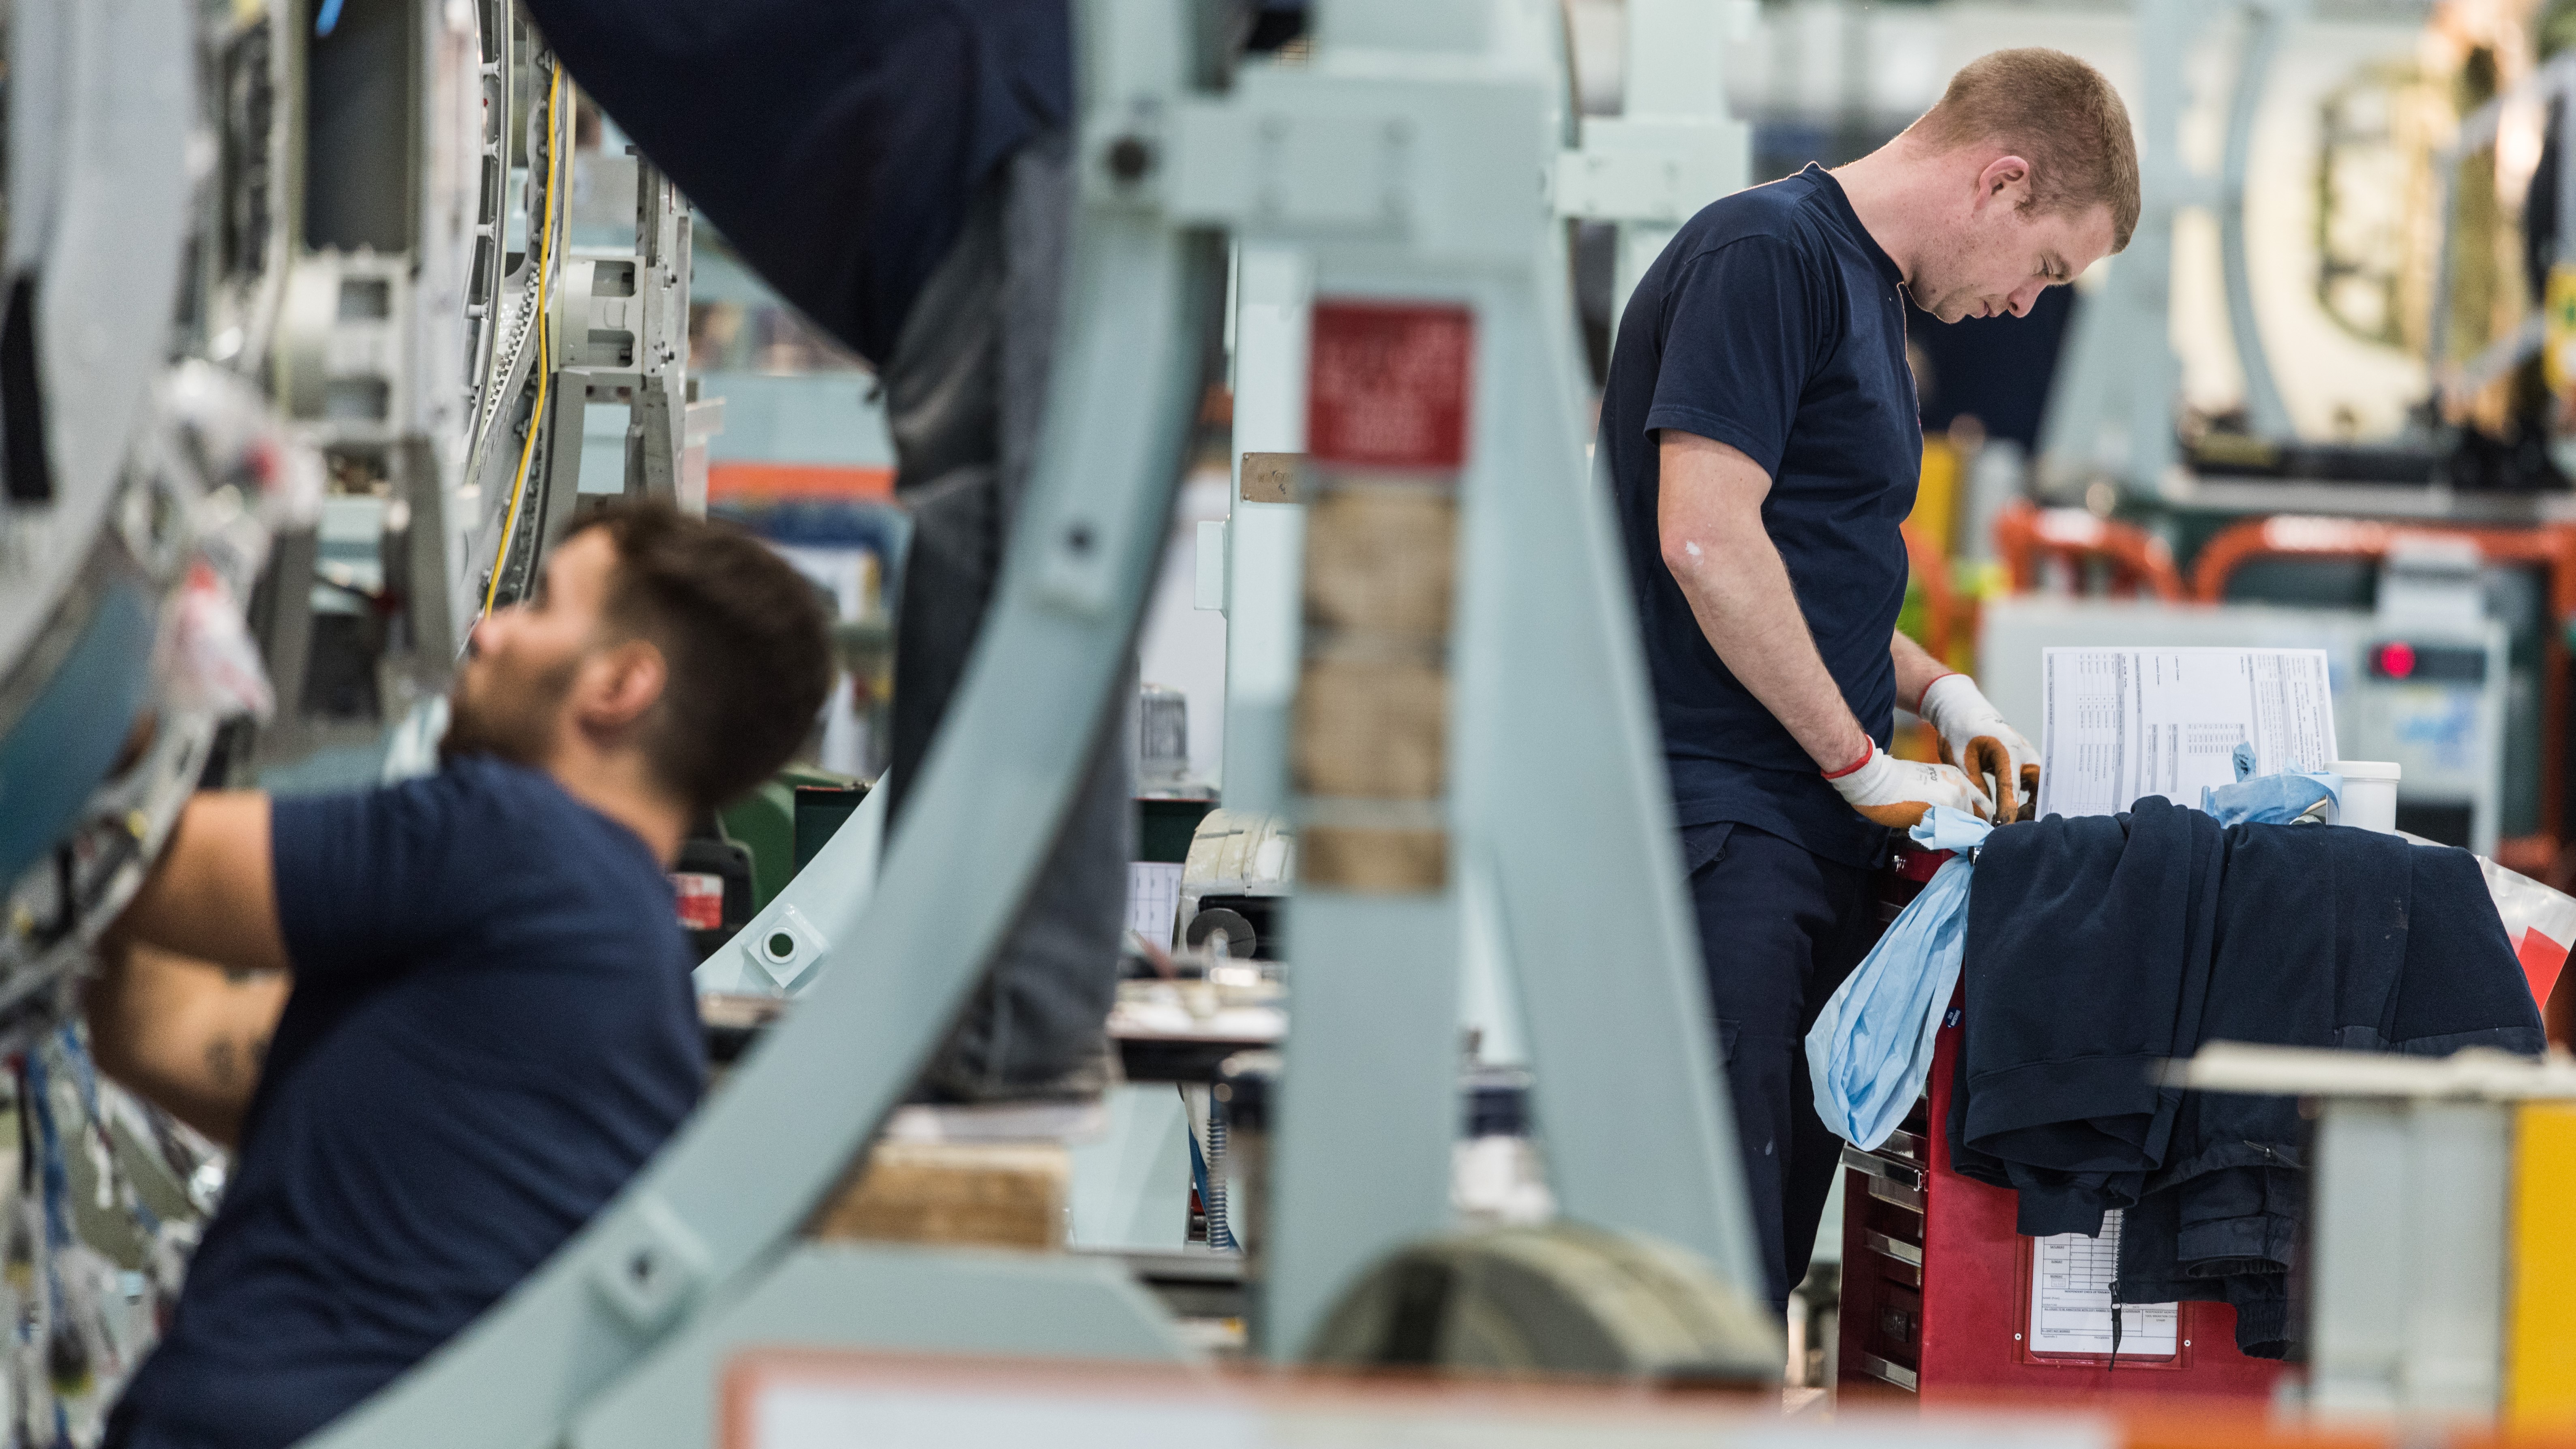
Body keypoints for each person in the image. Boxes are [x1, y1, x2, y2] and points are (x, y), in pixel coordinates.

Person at [87, 501, 834, 1449]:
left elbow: (148, 863)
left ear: (619, 684)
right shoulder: (612, 979)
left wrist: (116, 635)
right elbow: (159, 1030)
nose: (490, 630)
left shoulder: (523, 842)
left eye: (540, 605)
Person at [1597, 48, 2140, 1313]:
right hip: (1721, 830)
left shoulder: (1860, 296)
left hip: (1794, 839)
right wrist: (1856, 760)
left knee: (1763, 1263)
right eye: (2046, 268)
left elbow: (1803, 572)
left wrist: (1939, 692)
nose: (2025, 307)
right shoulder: (1765, 254)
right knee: (1703, 1272)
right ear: (2001, 182)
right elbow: (1704, 538)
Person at [521, 0, 1123, 1101]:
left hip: (991, 112)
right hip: (964, 128)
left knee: (1028, 522)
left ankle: (1001, 1014)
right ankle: (996, 1009)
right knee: (1021, 513)